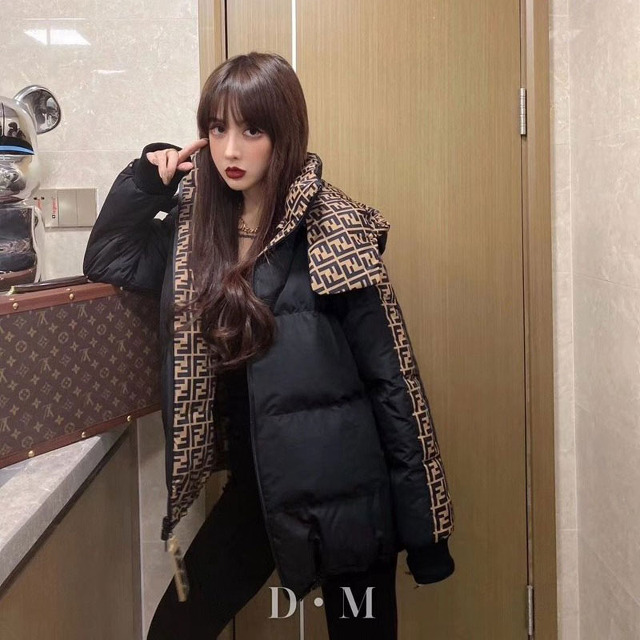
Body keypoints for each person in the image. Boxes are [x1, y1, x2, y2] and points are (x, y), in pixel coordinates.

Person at [83, 52, 455, 640]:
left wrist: (427, 532)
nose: (231, 150)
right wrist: (145, 181)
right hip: (257, 491)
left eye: (252, 130)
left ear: (284, 134)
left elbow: (394, 380)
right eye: (217, 129)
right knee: (175, 629)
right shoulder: (195, 231)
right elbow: (109, 259)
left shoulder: (335, 229)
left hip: (349, 497)